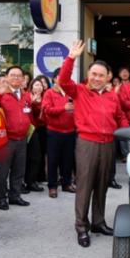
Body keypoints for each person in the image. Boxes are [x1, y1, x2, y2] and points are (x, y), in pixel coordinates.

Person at [58, 40, 130, 248]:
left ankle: (98, 222)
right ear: (89, 75)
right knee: (84, 186)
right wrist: (71, 58)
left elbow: (120, 118)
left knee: (102, 186)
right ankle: (82, 226)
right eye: (94, 74)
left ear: (108, 77)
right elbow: (64, 80)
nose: (97, 78)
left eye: (101, 75)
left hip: (108, 144)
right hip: (87, 143)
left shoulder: (112, 96)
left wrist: (129, 132)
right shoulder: (79, 91)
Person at [0, 66, 38, 210]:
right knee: (2, 172)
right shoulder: (2, 93)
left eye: (19, 76)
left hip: (22, 139)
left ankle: (15, 196)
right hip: (5, 140)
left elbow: (28, 114)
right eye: (13, 75)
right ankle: (1, 198)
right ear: (7, 77)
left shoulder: (26, 95)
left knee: (18, 170)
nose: (16, 78)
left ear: (23, 79)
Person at [42, 68, 76, 198]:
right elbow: (47, 110)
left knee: (68, 159)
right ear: (55, 79)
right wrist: (64, 108)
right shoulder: (49, 93)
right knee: (53, 160)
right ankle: (52, 186)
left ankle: (67, 183)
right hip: (54, 131)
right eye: (60, 77)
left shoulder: (72, 92)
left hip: (71, 131)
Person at [22, 77, 46, 193]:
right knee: (23, 159)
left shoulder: (45, 97)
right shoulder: (26, 96)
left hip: (34, 130)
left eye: (40, 85)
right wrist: (32, 103)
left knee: (36, 156)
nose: (39, 87)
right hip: (23, 131)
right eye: (36, 85)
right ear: (31, 86)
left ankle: (31, 181)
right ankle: (21, 183)